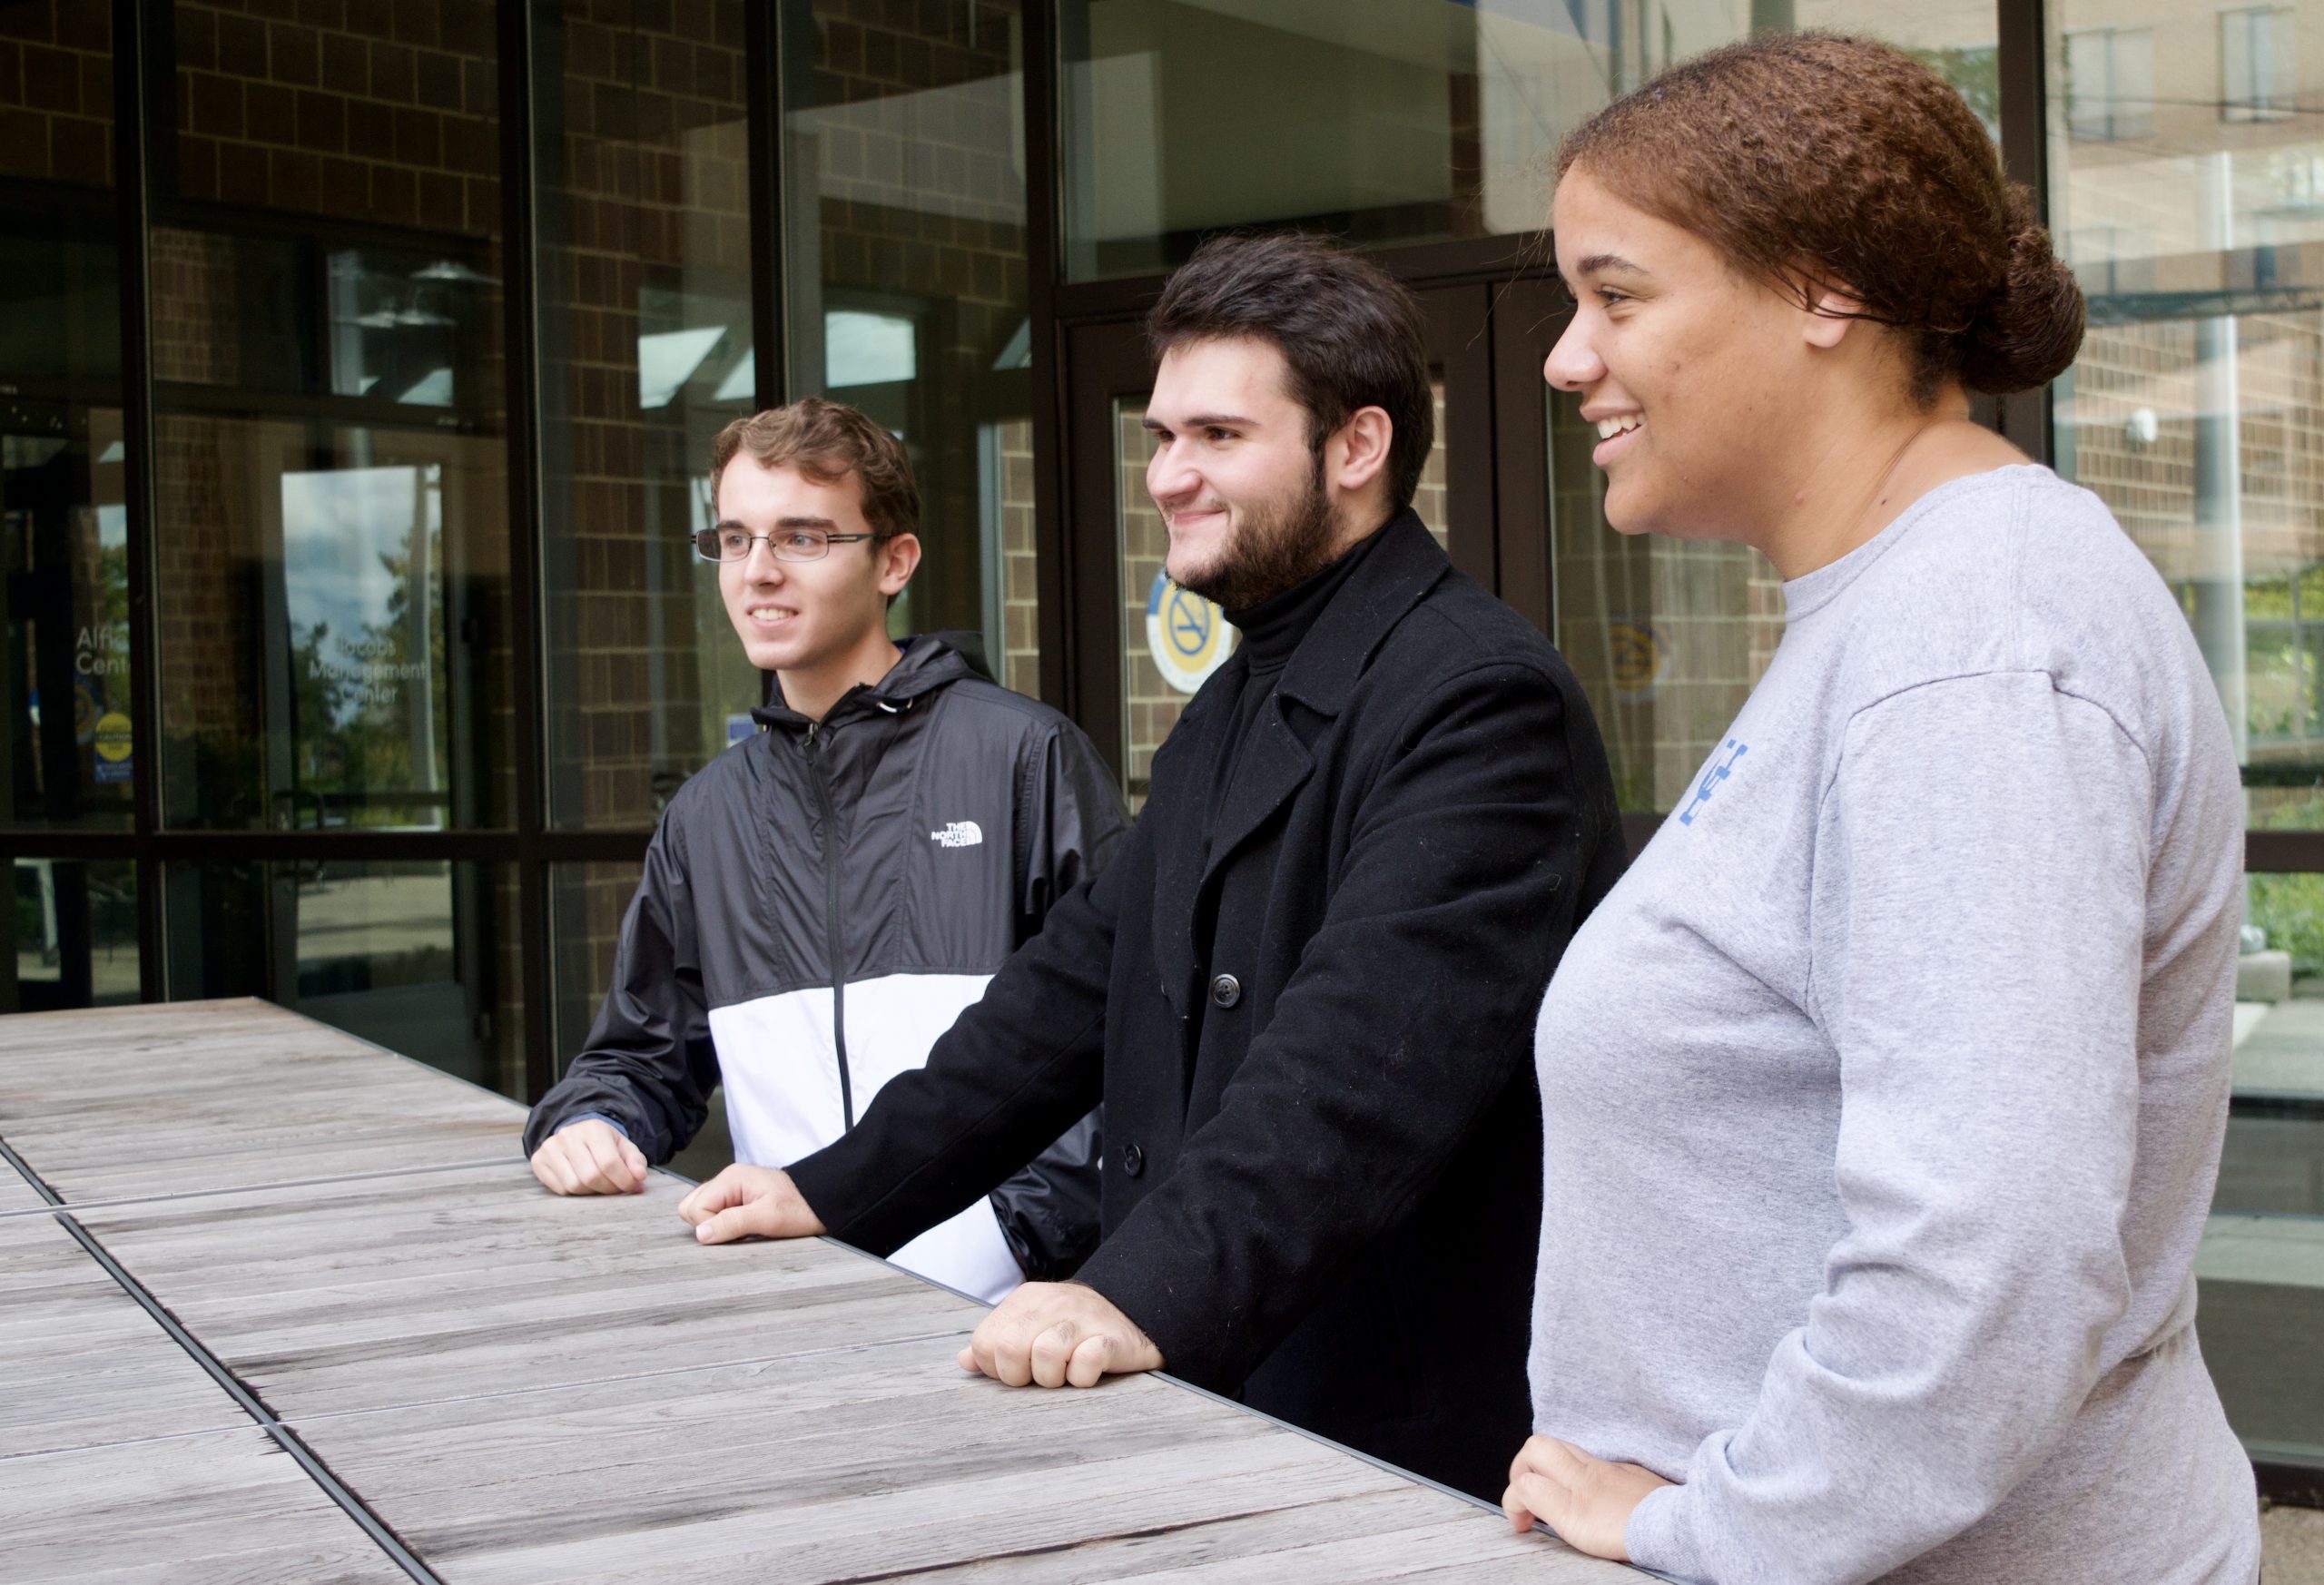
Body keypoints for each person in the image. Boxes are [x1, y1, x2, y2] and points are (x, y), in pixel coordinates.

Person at [672, 232, 1625, 1501]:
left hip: (1386, 1439)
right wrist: (829, 1191)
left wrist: (1131, 1291)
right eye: (1164, 435)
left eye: (1219, 435)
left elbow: (1356, 1074)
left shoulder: (1478, 698)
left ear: (1356, 446)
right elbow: (1061, 998)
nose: (1169, 475)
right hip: (1228, 1397)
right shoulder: (1234, 699)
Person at [1503, 34, 2262, 1583]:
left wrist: (1712, 1524)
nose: (1567, 359)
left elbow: (1992, 1254)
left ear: (1824, 291)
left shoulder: (1972, 638)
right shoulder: (1904, 611)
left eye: (1617, 295)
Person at [522, 399, 1123, 1305]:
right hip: (794, 1309)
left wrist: (1012, 1237)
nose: (757, 571)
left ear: (894, 561)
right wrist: (590, 1122)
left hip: (1010, 1319)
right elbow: (642, 1057)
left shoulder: (1024, 759)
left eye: (802, 538)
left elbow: (1124, 1036)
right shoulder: (707, 816)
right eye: (734, 539)